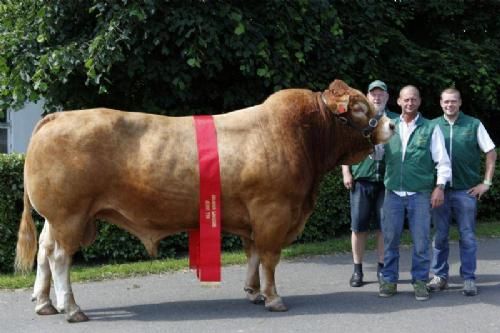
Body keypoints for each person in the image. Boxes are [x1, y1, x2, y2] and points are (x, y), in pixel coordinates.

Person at [378, 85, 451, 301]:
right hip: (392, 194)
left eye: (414, 99)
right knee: (390, 241)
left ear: (419, 102)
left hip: (419, 194)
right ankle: (389, 281)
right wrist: (371, 146)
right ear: (399, 102)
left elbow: (443, 161)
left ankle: (420, 281)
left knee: (421, 241)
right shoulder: (388, 126)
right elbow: (378, 155)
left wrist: (440, 187)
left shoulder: (430, 128)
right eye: (405, 100)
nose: (409, 103)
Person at [427, 88, 497, 296]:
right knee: (439, 236)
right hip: (439, 191)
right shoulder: (432, 125)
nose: (450, 105)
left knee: (467, 237)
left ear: (460, 103)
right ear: (440, 103)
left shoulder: (473, 124)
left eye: (454, 101)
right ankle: (439, 277)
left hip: (466, 191)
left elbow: (491, 153)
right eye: (446, 102)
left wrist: (486, 182)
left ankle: (468, 278)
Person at [341, 80, 398, 287]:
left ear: (387, 97)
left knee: (384, 227)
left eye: (381, 94)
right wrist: (346, 172)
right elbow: (346, 148)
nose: (377, 97)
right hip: (361, 179)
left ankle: (383, 268)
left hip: (387, 181)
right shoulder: (359, 119)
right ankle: (358, 270)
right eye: (373, 94)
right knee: (358, 227)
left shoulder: (395, 120)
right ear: (367, 96)